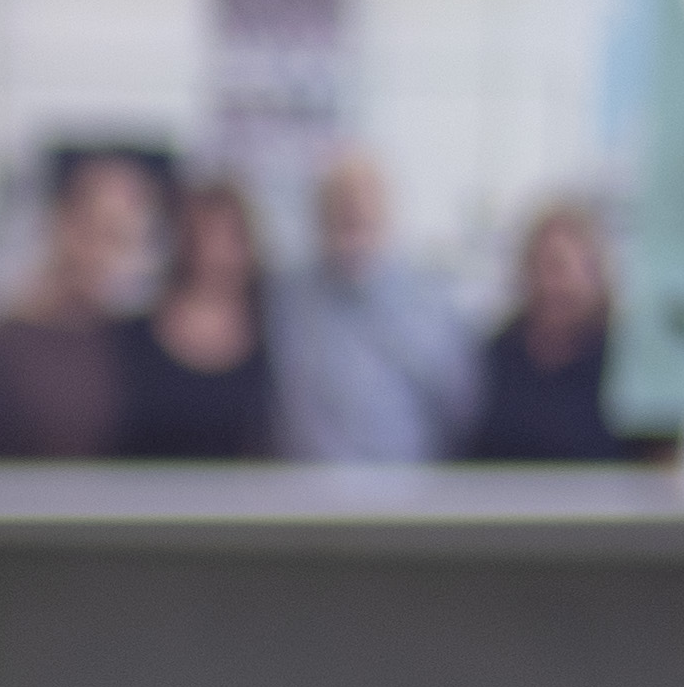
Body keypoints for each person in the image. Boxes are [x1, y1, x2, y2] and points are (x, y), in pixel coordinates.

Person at [0, 145, 165, 459]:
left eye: (126, 241)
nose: (110, 258)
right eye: (103, 233)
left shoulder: (132, 342)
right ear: (63, 223)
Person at [268, 149, 475, 466]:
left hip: (408, 487)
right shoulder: (286, 299)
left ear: (386, 212)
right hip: (305, 489)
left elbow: (459, 411)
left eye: (365, 203)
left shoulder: (432, 304)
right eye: (340, 204)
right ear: (319, 215)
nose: (353, 210)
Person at [108, 174, 278, 460]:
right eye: (206, 236)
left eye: (230, 237)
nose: (217, 252)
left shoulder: (276, 328)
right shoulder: (132, 330)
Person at [468, 201, 652, 462]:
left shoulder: (626, 361)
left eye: (562, 267)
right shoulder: (498, 354)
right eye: (541, 267)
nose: (552, 284)